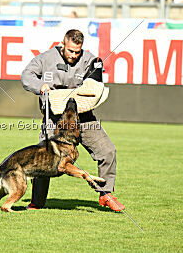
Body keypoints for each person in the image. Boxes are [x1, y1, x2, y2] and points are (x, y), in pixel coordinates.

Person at [21, 29, 126, 212]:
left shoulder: (89, 60)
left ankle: (106, 194)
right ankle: (36, 202)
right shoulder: (45, 59)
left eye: (77, 52)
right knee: (44, 158)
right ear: (63, 44)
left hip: (83, 118)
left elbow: (96, 84)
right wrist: (40, 86)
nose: (74, 55)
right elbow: (26, 76)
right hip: (53, 118)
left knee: (107, 151)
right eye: (70, 51)